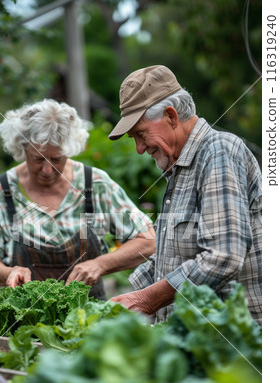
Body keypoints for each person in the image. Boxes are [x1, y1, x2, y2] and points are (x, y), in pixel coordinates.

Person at [108, 65, 262, 325]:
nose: (139, 148)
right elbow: (171, 257)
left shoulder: (218, 151)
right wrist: (121, 302)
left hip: (239, 343)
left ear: (171, 116)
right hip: (202, 338)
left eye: (141, 134)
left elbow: (223, 256)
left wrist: (147, 299)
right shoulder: (179, 168)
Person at [0, 99, 155, 299]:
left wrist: (100, 264)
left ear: (69, 151)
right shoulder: (2, 189)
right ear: (22, 148)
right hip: (22, 319)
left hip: (88, 317)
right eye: (37, 159)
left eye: (56, 159)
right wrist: (8, 273)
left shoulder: (94, 184)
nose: (47, 170)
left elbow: (148, 240)